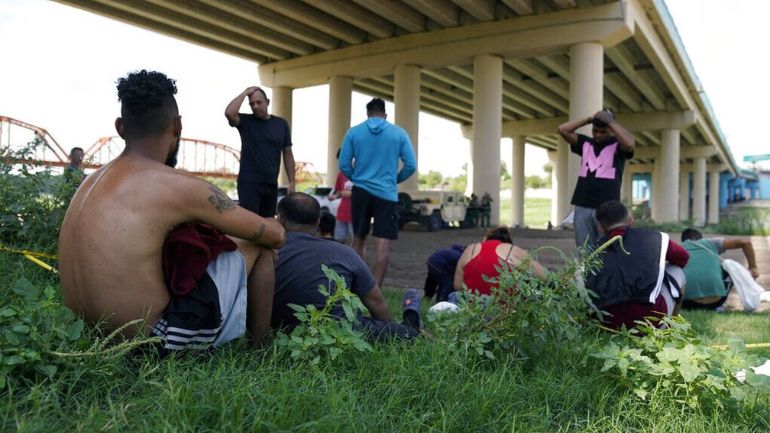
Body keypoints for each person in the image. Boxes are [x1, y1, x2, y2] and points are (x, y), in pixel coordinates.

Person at [58, 70, 286, 354]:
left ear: (120, 127)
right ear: (177, 126)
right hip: (148, 342)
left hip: (82, 332)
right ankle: (261, 351)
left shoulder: (89, 181)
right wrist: (265, 222)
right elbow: (275, 236)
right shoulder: (178, 185)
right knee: (259, 245)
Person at [272, 193, 421, 341]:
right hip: (342, 334)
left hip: (281, 332)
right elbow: (376, 302)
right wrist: (392, 330)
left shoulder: (269, 251)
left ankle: (410, 318)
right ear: (318, 222)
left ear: (280, 218)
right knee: (408, 334)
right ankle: (411, 320)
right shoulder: (343, 252)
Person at [339, 98, 417, 288]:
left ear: (367, 114)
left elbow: (343, 165)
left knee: (358, 238)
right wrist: (394, 180)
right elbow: (411, 165)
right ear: (385, 115)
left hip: (361, 191)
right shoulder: (399, 133)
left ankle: (355, 287)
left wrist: (357, 177)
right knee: (383, 244)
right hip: (386, 194)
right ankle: (375, 291)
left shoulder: (354, 132)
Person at [585, 201, 689, 330]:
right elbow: (683, 258)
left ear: (600, 228)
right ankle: (671, 326)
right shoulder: (654, 238)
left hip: (607, 323)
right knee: (676, 270)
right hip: (650, 321)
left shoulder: (592, 251)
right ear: (630, 221)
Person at [557, 109, 635, 248]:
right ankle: (588, 271)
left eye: (603, 132)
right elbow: (562, 129)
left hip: (608, 207)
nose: (598, 135)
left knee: (608, 246)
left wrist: (610, 121)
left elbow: (629, 144)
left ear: (611, 130)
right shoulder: (585, 143)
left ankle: (606, 271)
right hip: (583, 203)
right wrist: (589, 118)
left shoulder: (618, 146)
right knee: (584, 247)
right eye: (595, 131)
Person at [225, 86, 296, 217]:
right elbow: (230, 113)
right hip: (249, 184)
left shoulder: (281, 124)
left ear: (267, 102)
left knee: (268, 223)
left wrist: (292, 182)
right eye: (252, 104)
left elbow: (288, 153)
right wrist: (245, 92)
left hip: (271, 184)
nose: (255, 106)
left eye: (259, 102)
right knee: (250, 225)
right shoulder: (246, 122)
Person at [453, 226, 548, 296]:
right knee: (538, 293)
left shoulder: (471, 249)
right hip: (505, 309)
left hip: (473, 308)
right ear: (508, 242)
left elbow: (457, 286)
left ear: (485, 239)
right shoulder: (512, 250)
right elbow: (544, 276)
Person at [680, 228, 759, 310]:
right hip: (715, 302)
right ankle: (719, 304)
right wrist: (753, 267)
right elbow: (745, 242)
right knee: (730, 267)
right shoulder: (711, 243)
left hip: (687, 303)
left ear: (683, 240)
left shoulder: (678, 248)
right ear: (701, 239)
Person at [328, 148, 354, 244]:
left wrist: (351, 194)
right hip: (342, 212)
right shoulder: (341, 174)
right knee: (338, 239)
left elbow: (365, 191)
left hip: (355, 213)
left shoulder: (359, 173)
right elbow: (339, 191)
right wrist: (334, 196)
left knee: (356, 240)